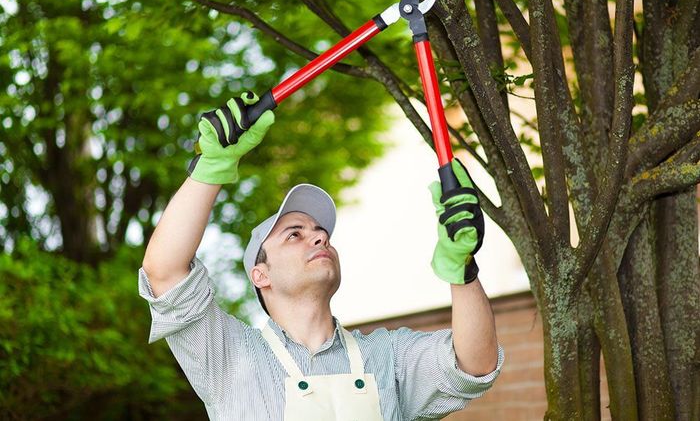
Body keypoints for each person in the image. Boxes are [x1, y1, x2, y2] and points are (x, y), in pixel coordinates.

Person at [139, 93, 504, 420]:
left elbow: (474, 363)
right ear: (260, 275)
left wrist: (464, 271)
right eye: (294, 234)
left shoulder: (387, 358)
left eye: (321, 233)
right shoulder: (230, 357)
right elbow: (165, 272)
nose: (317, 237)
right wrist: (211, 168)